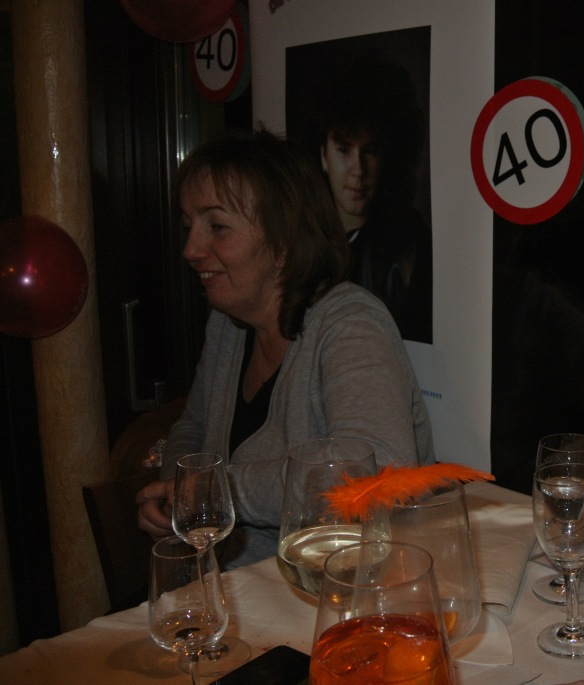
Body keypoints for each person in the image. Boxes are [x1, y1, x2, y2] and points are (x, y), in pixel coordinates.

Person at [136, 130, 435, 569]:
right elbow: (193, 428)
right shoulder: (226, 325)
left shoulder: (350, 323)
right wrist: (178, 496)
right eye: (189, 226)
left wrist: (220, 493)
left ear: (283, 242)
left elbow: (377, 470)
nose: (191, 249)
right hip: (239, 586)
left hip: (342, 586)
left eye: (216, 227)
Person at [298, 48, 433, 343]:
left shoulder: (411, 243)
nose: (357, 170)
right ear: (323, 155)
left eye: (370, 151)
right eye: (344, 150)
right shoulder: (298, 236)